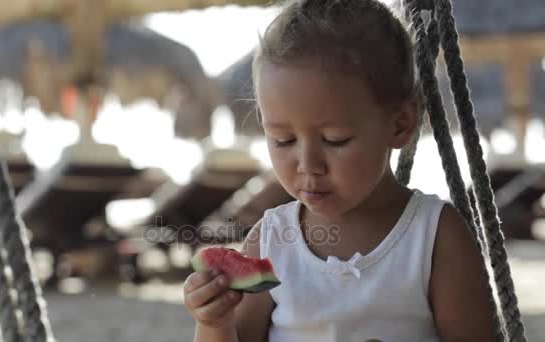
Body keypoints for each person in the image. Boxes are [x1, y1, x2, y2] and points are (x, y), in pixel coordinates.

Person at [183, 0, 497, 341]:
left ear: (400, 125)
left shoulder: (436, 238)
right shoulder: (271, 241)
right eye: (283, 139)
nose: (308, 165)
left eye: (335, 139)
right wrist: (214, 323)